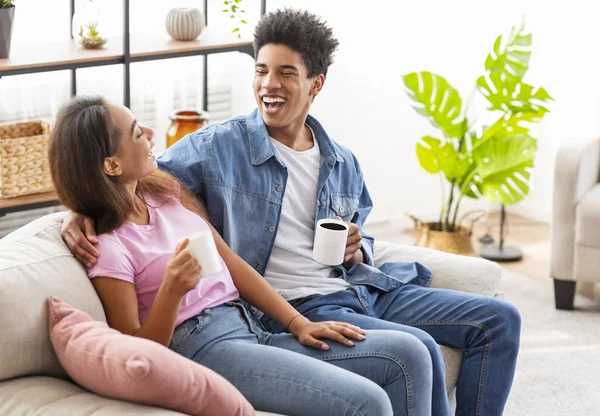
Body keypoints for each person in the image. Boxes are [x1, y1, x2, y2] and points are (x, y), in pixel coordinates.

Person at [62, 8, 521, 416]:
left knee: (500, 321)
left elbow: (218, 245)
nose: (268, 84)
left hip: (350, 288)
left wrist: (357, 251)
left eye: (285, 72)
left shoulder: (341, 161)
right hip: (273, 312)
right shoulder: (217, 148)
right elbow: (105, 182)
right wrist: (78, 210)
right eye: (261, 70)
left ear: (315, 84)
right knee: (411, 352)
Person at [49, 95, 439, 416]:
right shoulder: (109, 249)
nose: (151, 132)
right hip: (204, 348)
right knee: (367, 402)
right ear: (111, 164)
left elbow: (232, 265)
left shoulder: (162, 195)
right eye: (137, 132)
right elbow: (136, 351)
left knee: (410, 353)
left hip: (252, 325)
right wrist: (171, 290)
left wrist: (298, 322)